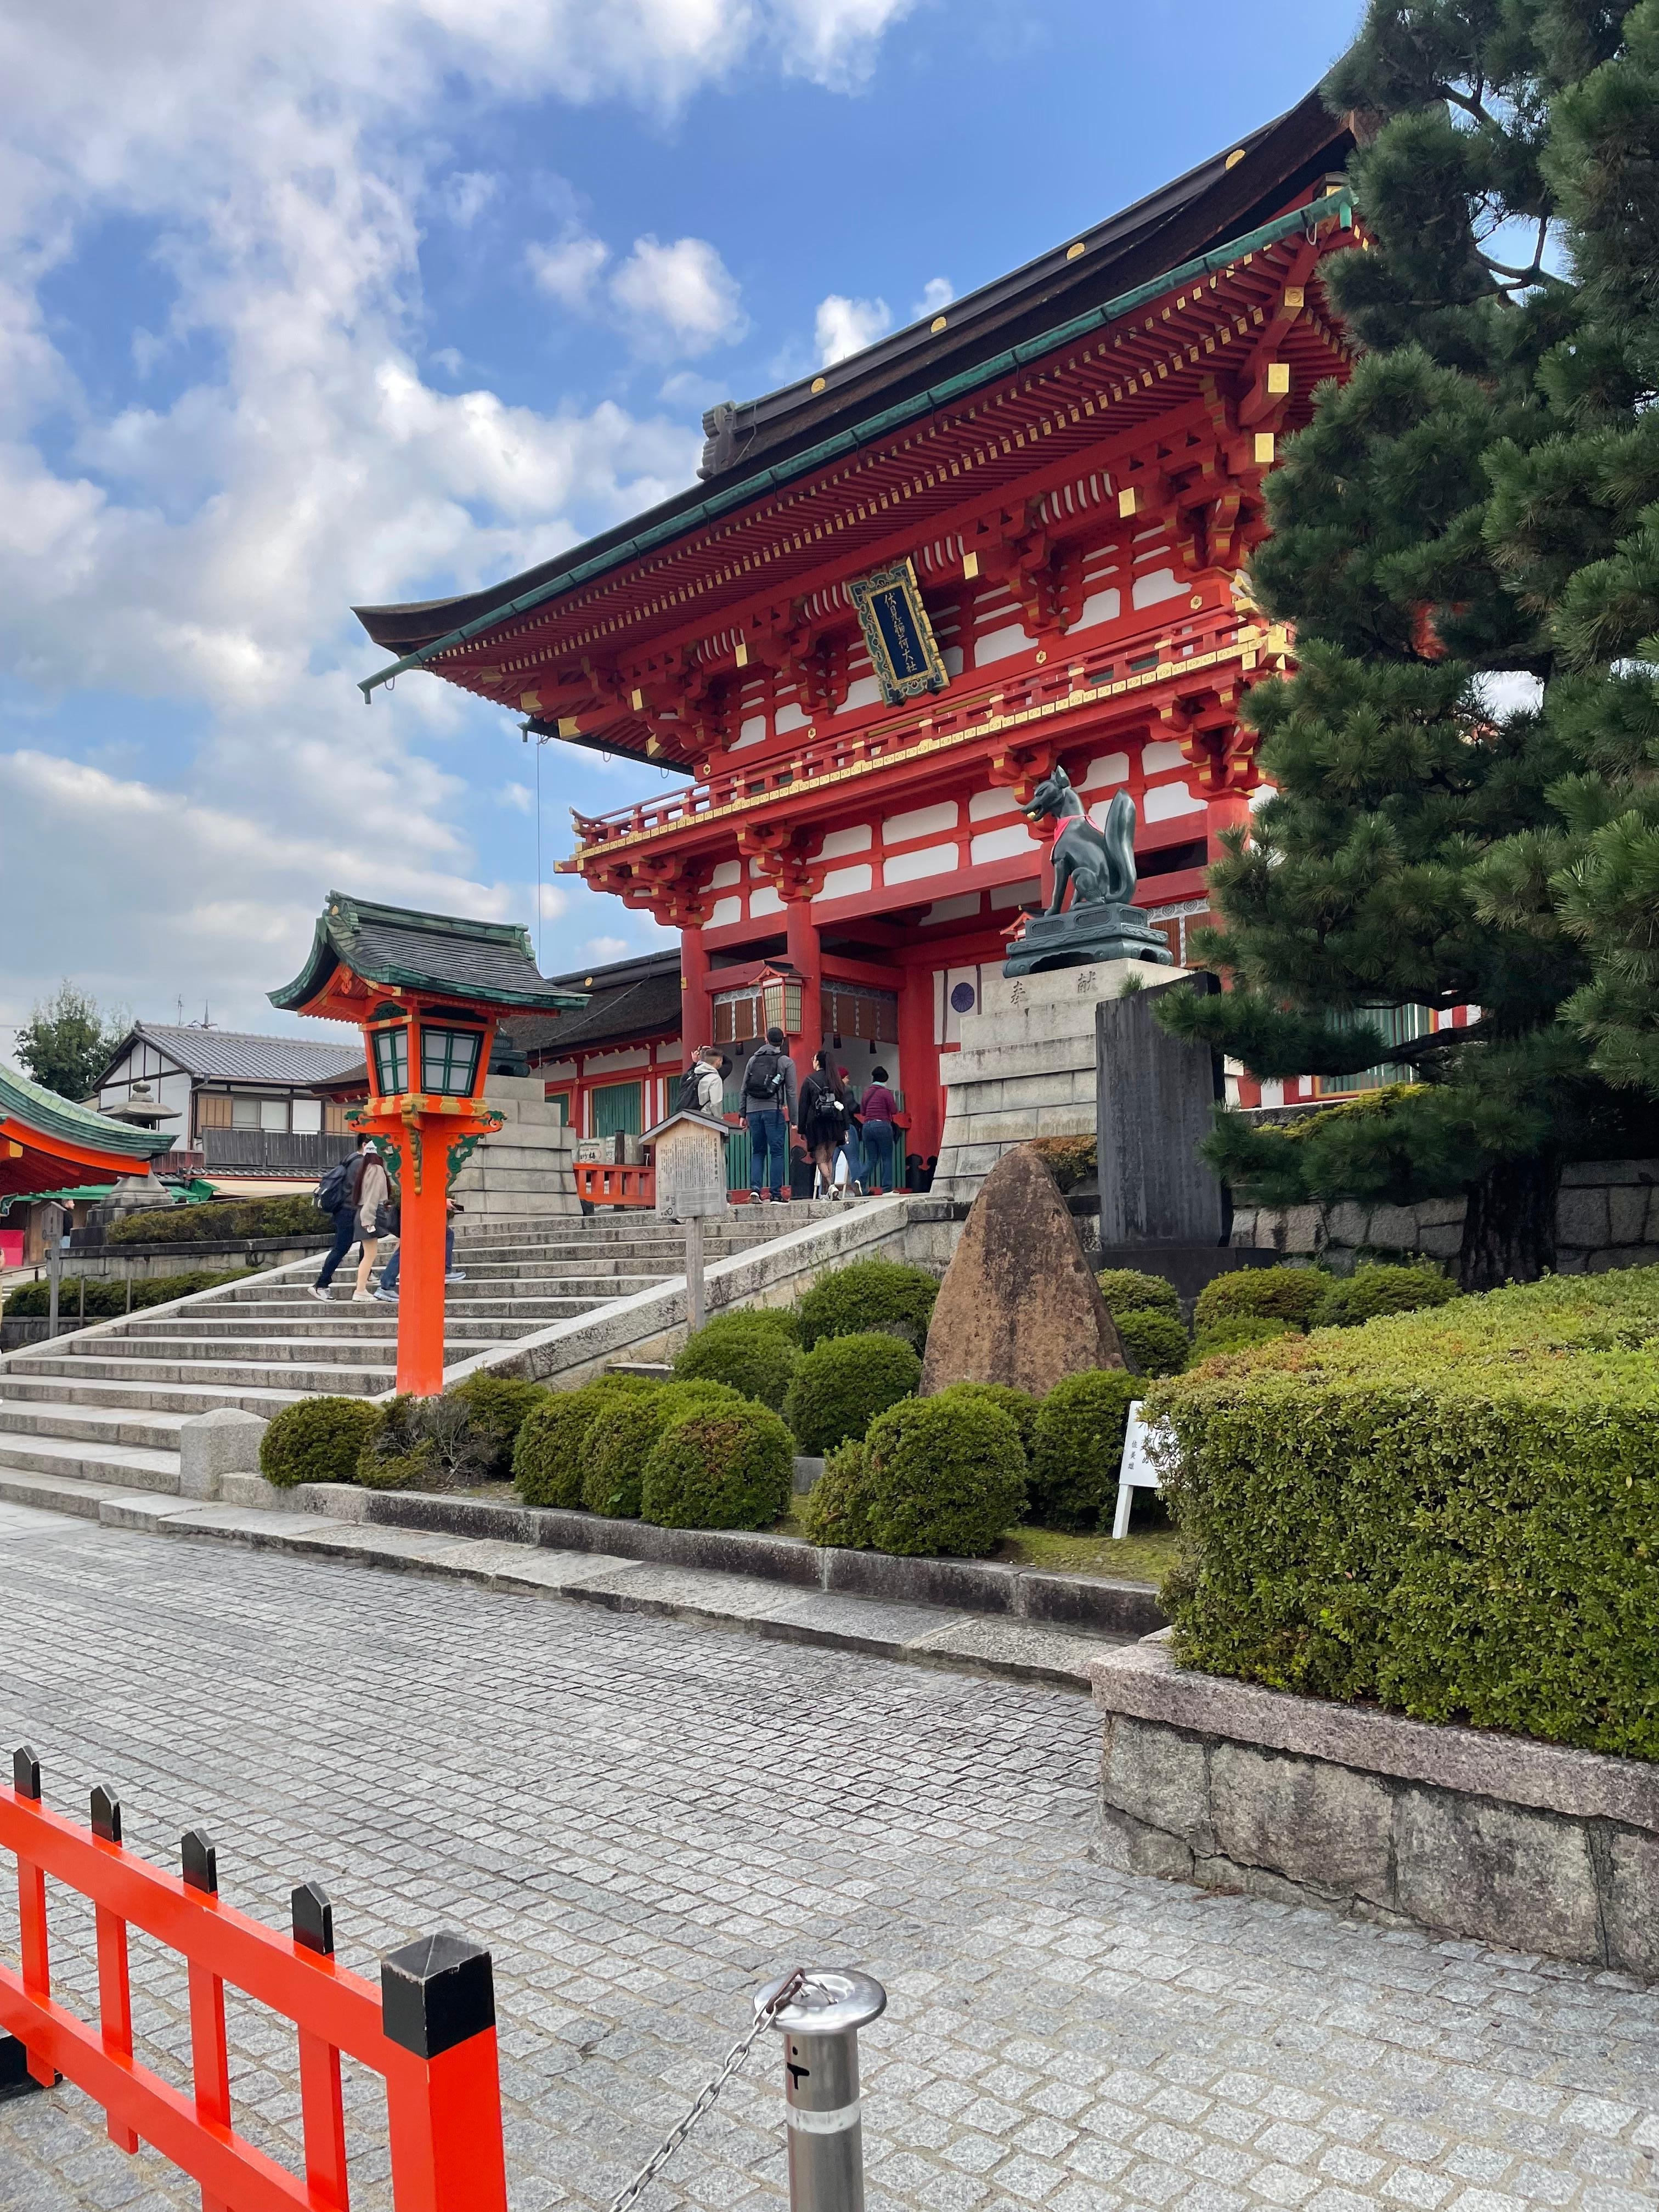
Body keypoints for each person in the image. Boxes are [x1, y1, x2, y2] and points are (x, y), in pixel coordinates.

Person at [310, 1134, 371, 1300]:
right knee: (342, 1248)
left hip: (345, 1210)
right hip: (349, 1211)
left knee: (366, 1240)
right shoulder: (360, 1163)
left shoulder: (350, 1159)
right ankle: (321, 1284)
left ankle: (366, 1272)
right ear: (365, 1145)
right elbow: (363, 1190)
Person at [741, 1026, 796, 1203]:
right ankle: (776, 1194)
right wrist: (794, 1119)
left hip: (752, 1111)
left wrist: (743, 1113)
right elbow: (792, 1092)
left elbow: (744, 1089)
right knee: (777, 1152)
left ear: (766, 1040)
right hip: (773, 1110)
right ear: (783, 1041)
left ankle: (755, 1190)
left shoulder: (752, 1060)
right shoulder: (786, 1062)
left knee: (758, 1151)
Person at [376, 1198, 465, 1301]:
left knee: (409, 1246)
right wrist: (440, 1201)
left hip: (413, 1207)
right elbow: (423, 1187)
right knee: (444, 1234)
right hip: (418, 1207)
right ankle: (444, 1272)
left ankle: (386, 1284)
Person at [798, 1050, 853, 1201]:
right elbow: (845, 1105)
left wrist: (802, 1129)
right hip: (835, 1123)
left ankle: (830, 1185)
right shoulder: (836, 1081)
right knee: (829, 1157)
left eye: (814, 1059)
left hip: (817, 1124)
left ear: (818, 1062)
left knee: (821, 1158)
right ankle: (830, 1189)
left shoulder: (810, 1080)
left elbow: (803, 1106)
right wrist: (846, 1127)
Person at [351, 1140, 392, 1301]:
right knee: (370, 1254)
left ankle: (361, 1289)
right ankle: (360, 1290)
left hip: (364, 1213)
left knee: (369, 1253)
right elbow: (373, 1197)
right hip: (369, 1214)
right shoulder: (377, 1170)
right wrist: (368, 1221)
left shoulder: (366, 1169)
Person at [860, 1066, 899, 1193]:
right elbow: (894, 1110)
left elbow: (863, 1112)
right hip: (882, 1126)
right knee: (887, 1158)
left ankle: (860, 1181)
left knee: (871, 1158)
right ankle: (887, 1188)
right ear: (884, 1080)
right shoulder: (885, 1093)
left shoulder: (867, 1093)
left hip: (867, 1127)